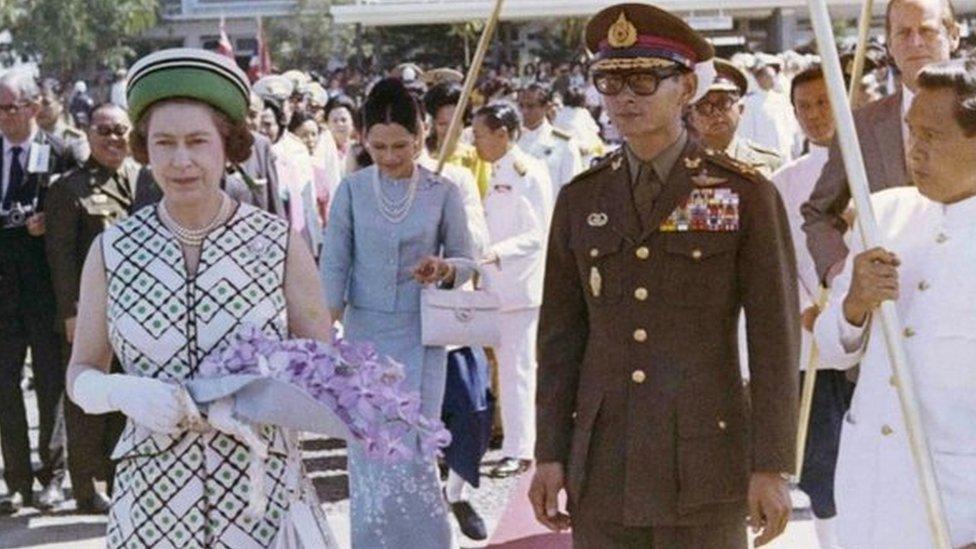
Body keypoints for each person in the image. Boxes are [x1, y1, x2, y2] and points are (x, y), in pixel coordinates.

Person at [529, 4, 800, 548]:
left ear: (686, 88)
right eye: (611, 80)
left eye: (646, 79)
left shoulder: (742, 193)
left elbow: (775, 338)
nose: (626, 97)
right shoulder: (583, 198)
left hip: (705, 457)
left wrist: (771, 465)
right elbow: (560, 337)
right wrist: (550, 453)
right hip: (606, 458)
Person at [64, 48, 338, 547]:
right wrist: (125, 393)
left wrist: (261, 388)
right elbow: (80, 372)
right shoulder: (112, 250)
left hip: (261, 499)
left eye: (197, 141)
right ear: (145, 148)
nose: (181, 159)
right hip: (150, 504)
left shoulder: (277, 243)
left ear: (227, 146)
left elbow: (324, 369)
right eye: (164, 143)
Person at [814, 57, 976, 549]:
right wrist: (854, 305)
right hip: (872, 491)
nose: (914, 149)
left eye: (932, 136)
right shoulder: (884, 212)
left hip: (956, 504)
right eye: (911, 132)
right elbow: (831, 348)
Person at [321, 78, 475, 549]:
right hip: (365, 336)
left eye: (401, 146)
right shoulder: (350, 190)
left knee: (411, 446)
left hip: (420, 335)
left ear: (421, 135)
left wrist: (444, 267)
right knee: (370, 448)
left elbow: (467, 262)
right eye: (379, 146)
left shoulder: (441, 190)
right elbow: (334, 265)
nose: (390, 156)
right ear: (364, 139)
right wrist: (321, 334)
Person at [44, 102, 156, 514]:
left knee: (126, 401)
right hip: (89, 315)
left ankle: (120, 479)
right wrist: (71, 313)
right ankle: (86, 486)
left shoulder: (144, 179)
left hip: (138, 314)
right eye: (104, 131)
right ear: (88, 134)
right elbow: (61, 259)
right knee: (87, 404)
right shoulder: (68, 188)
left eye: (121, 130)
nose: (113, 139)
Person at [802, 0, 960, 284]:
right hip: (890, 306)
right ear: (889, 45)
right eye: (903, 33)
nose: (915, 42)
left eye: (927, 31)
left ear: (954, 35)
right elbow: (819, 214)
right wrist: (839, 271)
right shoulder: (860, 126)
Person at [769, 66, 852, 549]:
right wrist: (806, 307)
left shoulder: (873, 161)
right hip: (814, 337)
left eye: (824, 102)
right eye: (806, 106)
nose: (816, 115)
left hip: (872, 334)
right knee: (822, 460)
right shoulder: (784, 182)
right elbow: (777, 260)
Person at [0, 70, 83, 514]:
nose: (4, 118)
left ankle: (52, 475)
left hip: (44, 285)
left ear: (33, 107)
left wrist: (52, 220)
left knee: (51, 383)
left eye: (11, 108)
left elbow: (79, 206)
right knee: (5, 384)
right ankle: (16, 481)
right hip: (2, 289)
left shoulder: (60, 151)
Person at [471, 102, 552, 479]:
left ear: (502, 133)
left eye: (480, 135)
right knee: (503, 368)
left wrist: (495, 253)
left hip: (517, 287)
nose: (475, 143)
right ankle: (513, 441)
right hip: (496, 286)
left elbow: (537, 234)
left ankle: (521, 450)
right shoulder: (500, 169)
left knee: (517, 369)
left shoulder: (527, 172)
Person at [689, 59, 784, 178]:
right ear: (691, 116)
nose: (716, 113)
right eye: (704, 106)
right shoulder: (676, 166)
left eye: (724, 103)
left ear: (741, 109)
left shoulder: (770, 162)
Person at [516, 82, 583, 200]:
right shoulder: (513, 141)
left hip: (551, 214)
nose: (524, 111)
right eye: (521, 106)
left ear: (546, 107)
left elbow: (572, 189)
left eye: (530, 106)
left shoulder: (564, 143)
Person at [739, 56, 799, 159]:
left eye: (774, 77)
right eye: (769, 77)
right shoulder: (750, 102)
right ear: (759, 79)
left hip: (784, 152)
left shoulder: (780, 99)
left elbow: (790, 125)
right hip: (763, 155)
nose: (773, 80)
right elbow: (746, 133)